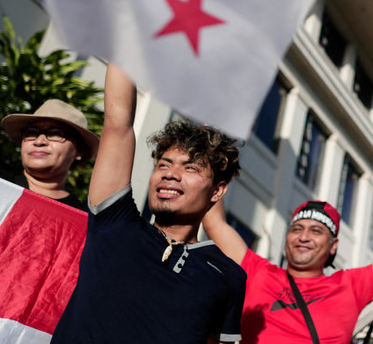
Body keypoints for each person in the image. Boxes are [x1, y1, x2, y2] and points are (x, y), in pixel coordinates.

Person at [51, 64, 247, 344]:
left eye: (190, 168)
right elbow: (118, 123)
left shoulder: (229, 276)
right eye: (164, 164)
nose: (170, 174)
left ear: (217, 190)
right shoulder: (115, 224)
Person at [202, 190, 373, 343]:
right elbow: (215, 223)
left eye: (316, 231)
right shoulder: (257, 272)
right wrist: (209, 157)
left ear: (333, 246)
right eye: (297, 228)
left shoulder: (351, 285)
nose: (303, 237)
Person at [1, 99, 99, 210]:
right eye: (32, 133)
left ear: (79, 151)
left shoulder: (81, 215)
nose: (39, 141)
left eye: (55, 134)